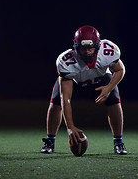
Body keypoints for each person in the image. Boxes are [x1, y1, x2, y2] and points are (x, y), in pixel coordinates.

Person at [41, 25, 127, 155]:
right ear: (76, 47)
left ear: (98, 46)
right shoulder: (66, 62)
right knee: (56, 101)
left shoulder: (107, 51)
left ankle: (118, 142)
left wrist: (108, 88)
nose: (87, 51)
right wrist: (70, 127)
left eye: (91, 47)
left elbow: (120, 70)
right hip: (75, 79)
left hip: (100, 77)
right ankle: (50, 141)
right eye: (83, 48)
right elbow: (67, 99)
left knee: (114, 99)